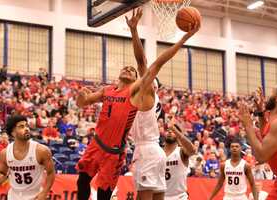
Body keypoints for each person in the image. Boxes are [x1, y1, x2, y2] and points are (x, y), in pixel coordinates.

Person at [75, 9, 200, 200]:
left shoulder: (141, 90)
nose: (131, 69)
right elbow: (83, 102)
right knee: (83, 181)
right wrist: (81, 98)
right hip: (130, 147)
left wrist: (183, 38)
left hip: (139, 150)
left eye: (135, 72)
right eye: (127, 69)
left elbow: (147, 62)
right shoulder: (110, 91)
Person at [127, 9, 167, 200]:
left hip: (146, 150)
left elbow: (141, 62)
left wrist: (134, 31)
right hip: (155, 149)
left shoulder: (146, 91)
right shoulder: (143, 98)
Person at [239, 80, 277, 200]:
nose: (268, 95)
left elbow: (261, 156)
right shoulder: (275, 116)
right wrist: (261, 113)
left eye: (272, 92)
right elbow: (266, 137)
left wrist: (248, 127)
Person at [0, 115, 55, 199]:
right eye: (21, 126)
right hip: (13, 196)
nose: (26, 128)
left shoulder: (42, 151)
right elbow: (2, 174)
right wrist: (1, 177)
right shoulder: (5, 153)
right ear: (12, 133)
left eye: (26, 126)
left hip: (35, 196)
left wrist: (44, 192)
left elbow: (51, 173)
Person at [163, 121, 196, 200]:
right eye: (168, 130)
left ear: (178, 135)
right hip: (161, 196)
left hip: (179, 197)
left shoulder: (181, 151)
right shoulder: (158, 153)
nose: (170, 132)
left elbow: (192, 150)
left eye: (173, 131)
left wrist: (175, 130)